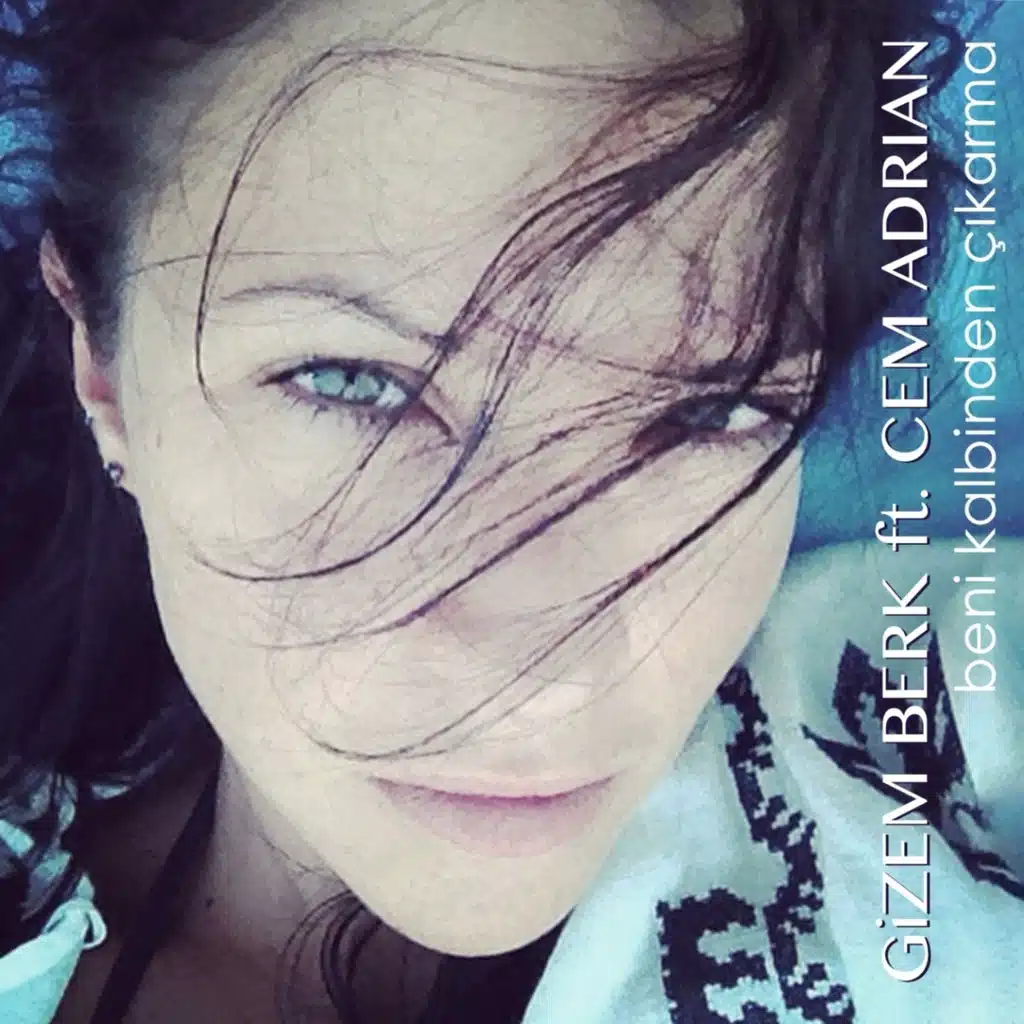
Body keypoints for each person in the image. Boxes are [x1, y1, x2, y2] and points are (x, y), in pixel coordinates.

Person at [0, 0, 1021, 1021]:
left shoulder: (928, 726)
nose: (545, 680)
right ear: (104, 369)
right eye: (354, 383)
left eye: (717, 407)